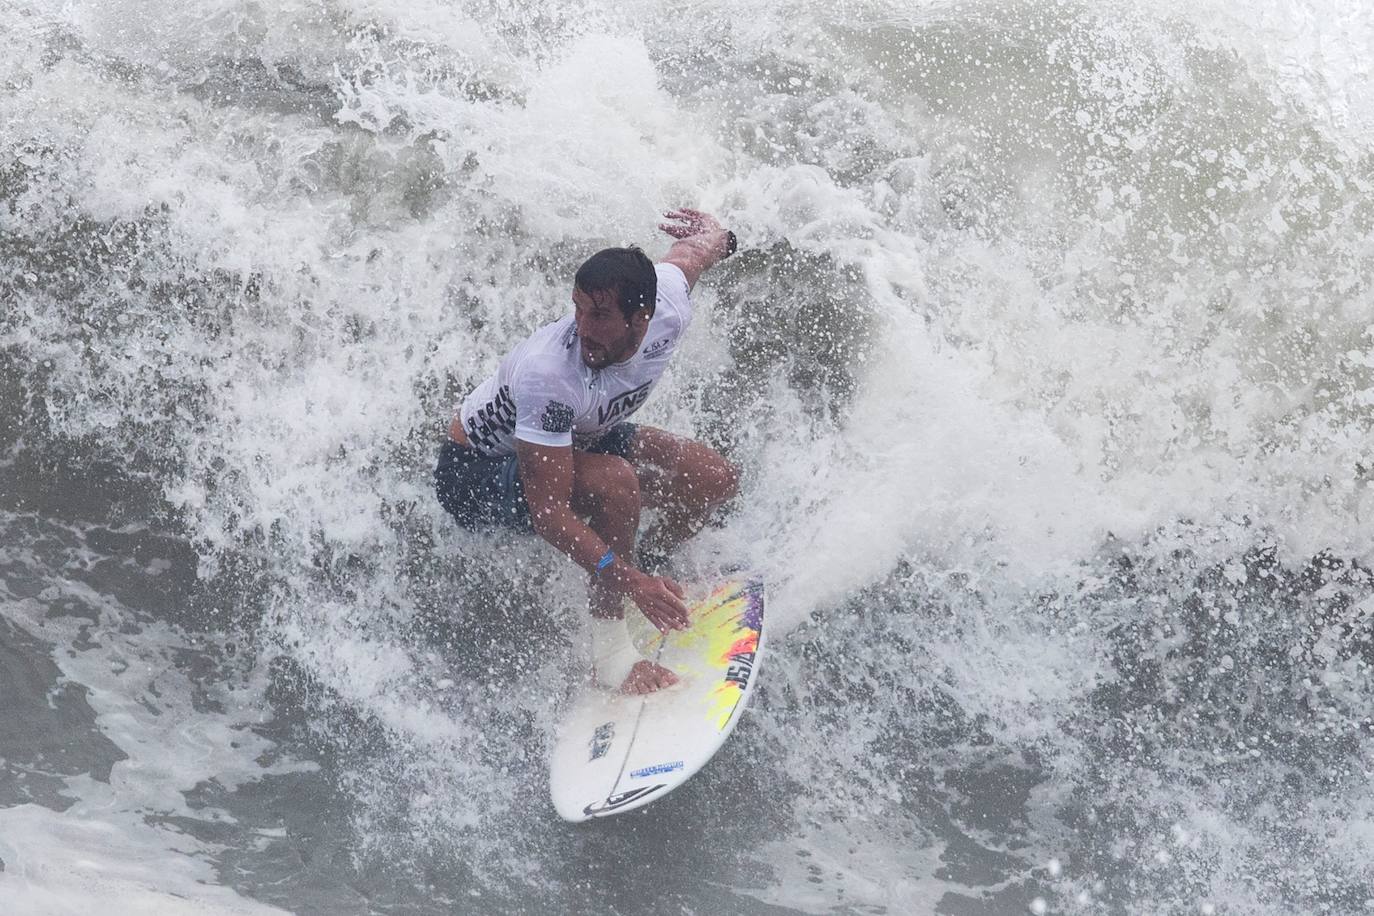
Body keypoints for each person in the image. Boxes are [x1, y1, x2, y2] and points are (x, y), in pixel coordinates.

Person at [435, 208, 740, 695]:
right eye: (577, 308)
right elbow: (549, 512)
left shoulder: (670, 307)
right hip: (476, 474)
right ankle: (612, 654)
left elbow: (694, 254)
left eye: (598, 315)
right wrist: (620, 575)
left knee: (713, 477)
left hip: (583, 436)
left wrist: (720, 237)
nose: (582, 327)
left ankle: (650, 576)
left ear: (642, 317)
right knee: (616, 484)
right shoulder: (550, 373)